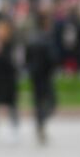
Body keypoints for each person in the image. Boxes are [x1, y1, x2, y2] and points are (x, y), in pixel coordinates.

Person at [24, 11, 59, 145]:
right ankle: (41, 121)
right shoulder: (46, 38)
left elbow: (27, 58)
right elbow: (52, 58)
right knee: (50, 101)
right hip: (44, 75)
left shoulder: (32, 38)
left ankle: (40, 122)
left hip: (35, 75)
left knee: (38, 101)